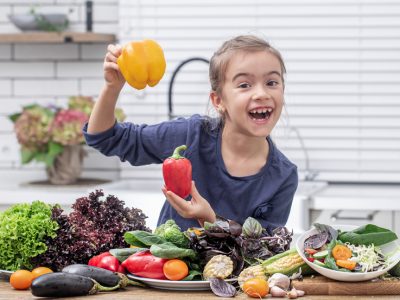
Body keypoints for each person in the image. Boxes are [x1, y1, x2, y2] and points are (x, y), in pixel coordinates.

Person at [83, 35, 298, 232]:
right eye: (244, 84)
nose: (261, 93)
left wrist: (211, 221)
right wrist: (112, 87)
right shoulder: (190, 135)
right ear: (218, 101)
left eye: (271, 82)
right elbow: (105, 137)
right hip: (165, 272)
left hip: (235, 275)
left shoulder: (284, 176)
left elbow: (265, 252)